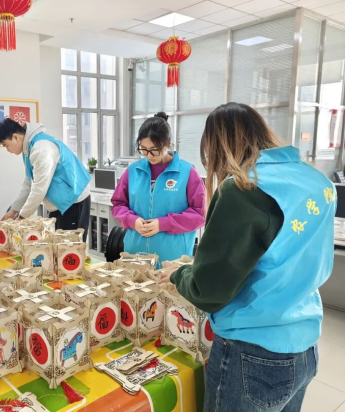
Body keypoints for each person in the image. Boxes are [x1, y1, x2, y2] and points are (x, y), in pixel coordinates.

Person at [160, 103, 336, 412]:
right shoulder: (315, 180)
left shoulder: (244, 188)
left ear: (217, 146)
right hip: (306, 343)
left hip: (254, 353)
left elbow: (208, 290)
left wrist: (179, 274)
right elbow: (280, 255)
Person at [111, 112, 206, 264]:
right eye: (144, 149)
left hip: (173, 258)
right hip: (135, 255)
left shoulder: (188, 173)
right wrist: (132, 220)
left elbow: (199, 215)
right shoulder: (133, 171)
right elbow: (118, 204)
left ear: (168, 143)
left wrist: (164, 224)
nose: (149, 155)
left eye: (154, 149)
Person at [0, 119, 91, 241]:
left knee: (69, 246)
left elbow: (39, 189)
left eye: (6, 145)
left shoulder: (41, 149)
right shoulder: (28, 149)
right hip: (60, 203)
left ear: (16, 137)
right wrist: (13, 211)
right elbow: (29, 183)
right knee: (56, 244)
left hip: (73, 201)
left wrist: (21, 218)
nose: (8, 150)